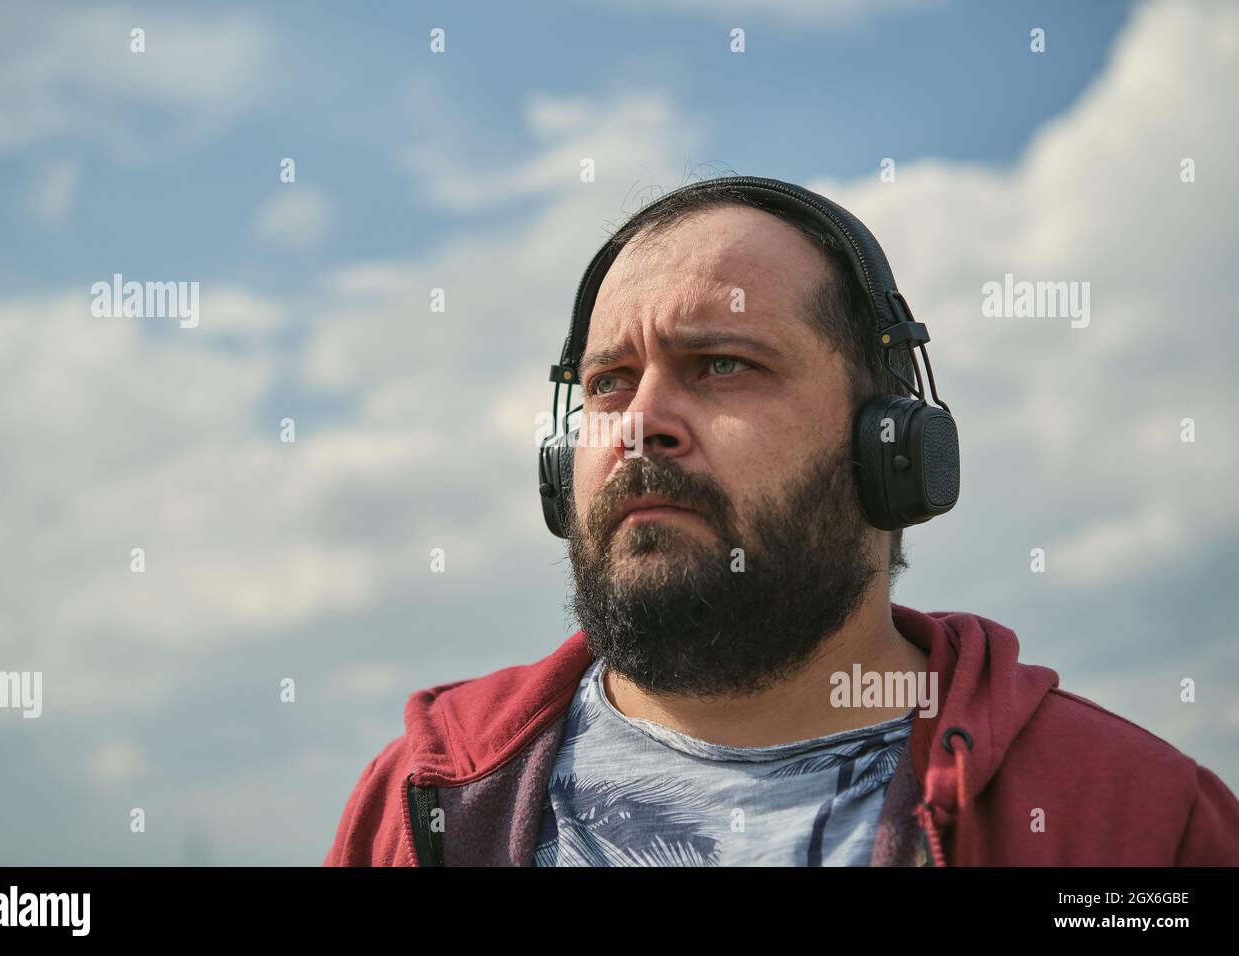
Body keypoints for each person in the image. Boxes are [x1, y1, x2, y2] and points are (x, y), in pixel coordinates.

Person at [323, 176, 1239, 866]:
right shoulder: (422, 797)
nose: (642, 422)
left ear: (889, 447)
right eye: (608, 384)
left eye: (722, 364)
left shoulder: (1130, 817)